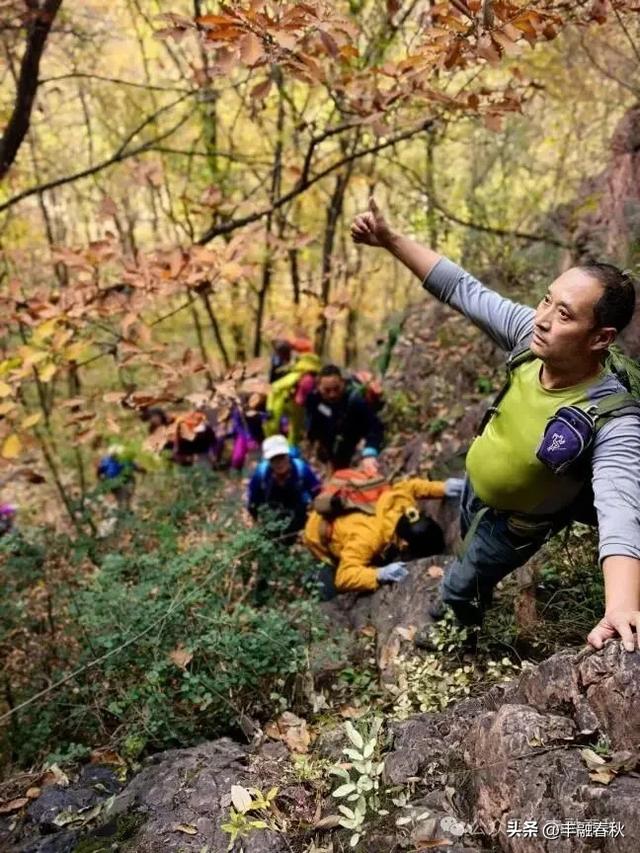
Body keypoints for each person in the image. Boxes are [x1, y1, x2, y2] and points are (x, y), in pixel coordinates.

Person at [351, 197, 640, 651]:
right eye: (546, 299)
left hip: (516, 524)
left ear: (600, 338)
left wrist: (621, 606)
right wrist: (390, 239)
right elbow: (462, 289)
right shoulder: (532, 337)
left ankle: (459, 622)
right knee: (467, 544)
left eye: (564, 314)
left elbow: (620, 507)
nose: (542, 319)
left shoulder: (612, 418)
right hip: (473, 487)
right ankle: (470, 585)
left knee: (461, 580)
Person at [303, 476, 464, 594]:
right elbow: (343, 577)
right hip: (315, 535)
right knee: (328, 588)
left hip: (351, 518)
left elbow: (410, 487)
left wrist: (441, 487)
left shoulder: (402, 505)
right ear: (405, 544)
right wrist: (378, 574)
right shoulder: (368, 539)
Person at [305, 364, 384, 470]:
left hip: (354, 443)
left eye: (336, 389)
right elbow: (313, 424)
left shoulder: (355, 400)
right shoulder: (314, 400)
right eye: (327, 390)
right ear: (319, 387)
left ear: (343, 383)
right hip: (331, 448)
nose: (332, 394)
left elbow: (374, 427)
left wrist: (369, 453)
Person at [248, 435, 321, 539]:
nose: (279, 463)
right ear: (268, 460)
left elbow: (317, 493)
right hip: (272, 514)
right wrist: (255, 520)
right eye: (274, 459)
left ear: (288, 455)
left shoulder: (301, 468)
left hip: (298, 510)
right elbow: (253, 501)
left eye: (282, 457)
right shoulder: (261, 473)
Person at [265, 351, 322, 448]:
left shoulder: (313, 379)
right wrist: (270, 408)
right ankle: (274, 448)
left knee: (295, 430)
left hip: (297, 406)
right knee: (273, 426)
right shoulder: (295, 377)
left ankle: (291, 449)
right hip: (283, 402)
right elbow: (274, 388)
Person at [97, 444, 142, 511]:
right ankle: (123, 511)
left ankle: (124, 510)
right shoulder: (107, 461)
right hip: (116, 483)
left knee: (124, 498)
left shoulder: (125, 460)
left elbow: (99, 472)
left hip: (122, 482)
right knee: (122, 498)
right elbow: (99, 471)